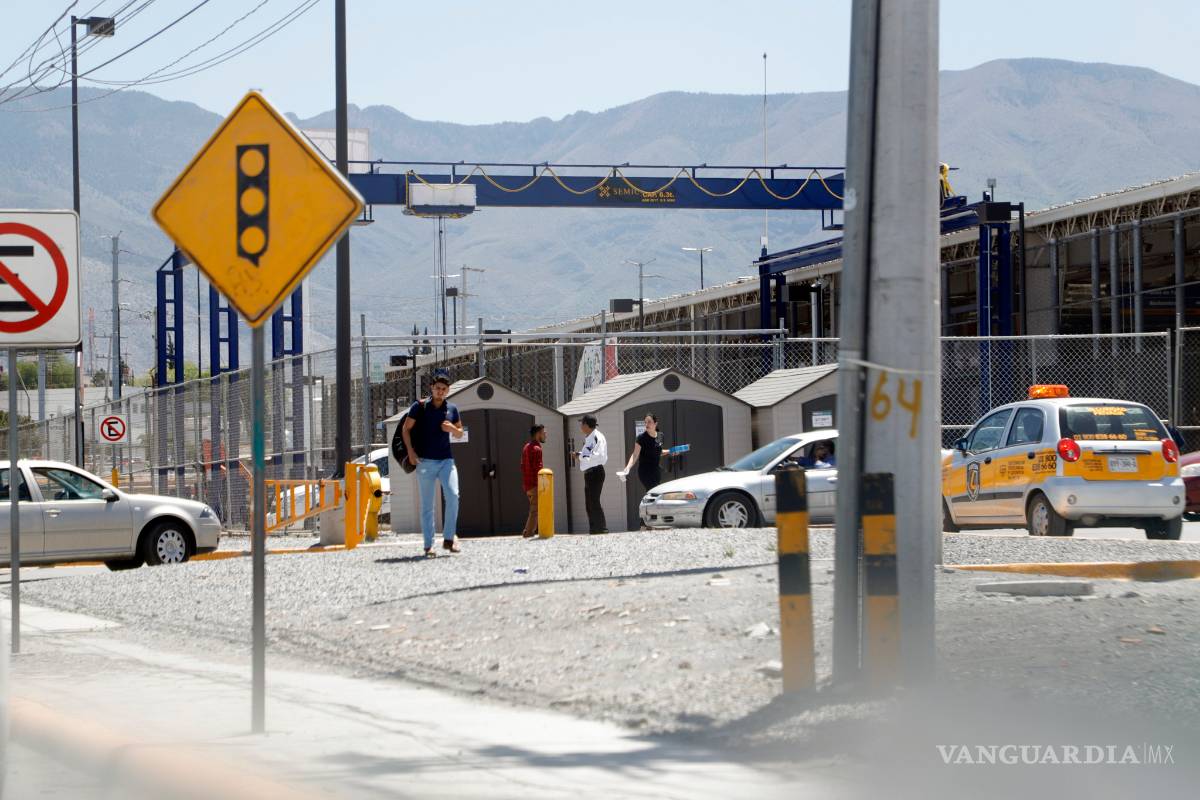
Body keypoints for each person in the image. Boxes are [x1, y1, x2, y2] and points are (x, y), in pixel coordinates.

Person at [401, 371, 465, 557]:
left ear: (448, 390)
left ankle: (449, 539)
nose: (440, 391)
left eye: (444, 389)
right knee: (427, 506)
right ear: (431, 388)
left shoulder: (452, 409)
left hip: (446, 461)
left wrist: (451, 428)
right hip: (425, 462)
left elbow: (460, 433)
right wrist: (410, 452)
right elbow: (406, 429)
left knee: (453, 495)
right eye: (437, 388)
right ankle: (428, 545)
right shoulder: (419, 407)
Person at [576, 414, 608, 534]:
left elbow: (598, 455)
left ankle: (602, 528)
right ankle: (594, 528)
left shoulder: (596, 437)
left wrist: (581, 456)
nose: (581, 426)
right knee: (589, 502)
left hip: (595, 472)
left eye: (582, 423)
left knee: (594, 501)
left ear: (586, 425)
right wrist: (580, 455)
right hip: (590, 472)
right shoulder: (590, 437)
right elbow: (589, 454)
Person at [619, 413, 666, 492]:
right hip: (645, 471)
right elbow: (635, 454)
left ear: (655, 423)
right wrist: (628, 467)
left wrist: (671, 451)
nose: (647, 424)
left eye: (649, 422)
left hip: (656, 470)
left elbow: (658, 452)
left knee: (656, 493)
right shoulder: (641, 438)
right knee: (654, 491)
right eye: (645, 422)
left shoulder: (660, 436)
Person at [521, 424, 546, 538]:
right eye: (543, 432)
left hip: (527, 484)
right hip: (535, 485)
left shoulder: (526, 447)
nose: (545, 434)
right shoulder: (537, 448)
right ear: (538, 434)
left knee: (533, 509)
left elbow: (522, 466)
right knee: (535, 510)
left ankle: (527, 531)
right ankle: (528, 533)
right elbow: (538, 469)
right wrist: (543, 484)